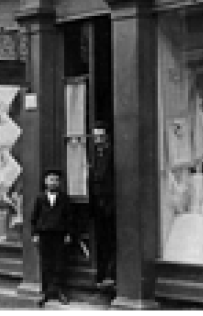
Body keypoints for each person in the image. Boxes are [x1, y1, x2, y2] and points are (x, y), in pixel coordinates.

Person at [31, 167, 73, 305]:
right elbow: (34, 218)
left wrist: (68, 233)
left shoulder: (64, 198)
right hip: (44, 234)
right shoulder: (40, 198)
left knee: (59, 263)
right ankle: (46, 292)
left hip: (59, 235)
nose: (54, 182)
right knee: (46, 263)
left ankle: (60, 290)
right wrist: (35, 233)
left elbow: (69, 218)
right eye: (51, 179)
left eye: (56, 180)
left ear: (59, 182)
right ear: (45, 182)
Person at [89, 122, 116, 288]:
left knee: (111, 240)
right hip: (96, 204)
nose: (98, 140)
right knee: (100, 240)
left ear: (107, 137)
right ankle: (100, 274)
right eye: (95, 137)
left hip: (110, 203)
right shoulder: (92, 153)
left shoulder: (113, 152)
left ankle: (111, 274)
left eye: (101, 136)